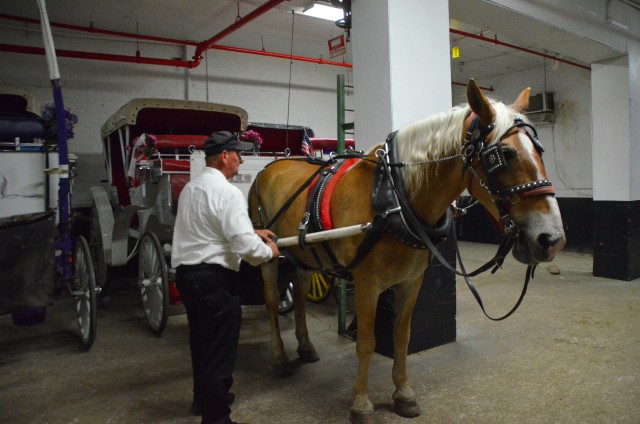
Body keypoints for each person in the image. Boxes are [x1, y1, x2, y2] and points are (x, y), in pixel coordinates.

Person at [171, 131, 279, 424]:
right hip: (214, 280)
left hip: (188, 276)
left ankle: (202, 400)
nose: (241, 161)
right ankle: (216, 417)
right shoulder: (229, 193)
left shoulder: (192, 189)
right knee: (219, 352)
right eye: (238, 155)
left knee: (202, 344)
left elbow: (206, 227)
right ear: (224, 157)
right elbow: (246, 250)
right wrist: (268, 251)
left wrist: (251, 231)